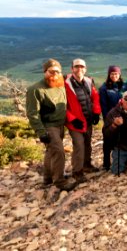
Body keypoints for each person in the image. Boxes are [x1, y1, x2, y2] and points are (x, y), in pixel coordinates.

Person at [26, 59, 77, 191]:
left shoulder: (60, 85)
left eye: (57, 72)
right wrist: (41, 132)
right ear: (45, 72)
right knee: (59, 152)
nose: (54, 74)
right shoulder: (35, 90)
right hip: (48, 126)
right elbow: (32, 114)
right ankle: (59, 182)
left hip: (60, 125)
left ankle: (47, 178)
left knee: (51, 152)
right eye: (51, 71)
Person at [65, 58, 101, 183]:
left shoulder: (88, 81)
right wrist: (72, 119)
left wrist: (96, 113)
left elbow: (95, 97)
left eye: (82, 67)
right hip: (75, 122)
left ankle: (87, 165)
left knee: (87, 144)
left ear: (85, 69)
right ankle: (77, 172)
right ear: (72, 68)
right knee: (79, 145)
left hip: (88, 120)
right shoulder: (66, 84)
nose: (79, 69)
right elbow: (62, 106)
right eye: (76, 67)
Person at [99, 65, 126, 170]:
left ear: (120, 75)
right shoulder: (104, 88)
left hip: (123, 117)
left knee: (121, 139)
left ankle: (122, 159)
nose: (114, 76)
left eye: (116, 74)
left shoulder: (124, 86)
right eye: (112, 74)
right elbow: (103, 106)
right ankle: (106, 163)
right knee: (108, 140)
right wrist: (108, 120)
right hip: (110, 117)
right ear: (109, 75)